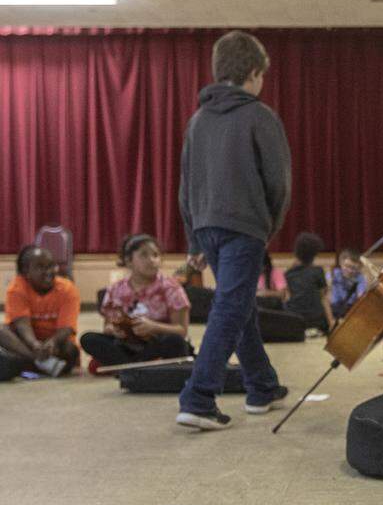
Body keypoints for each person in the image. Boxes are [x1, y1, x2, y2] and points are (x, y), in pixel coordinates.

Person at [176, 30, 291, 430]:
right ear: (255, 72)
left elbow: (185, 184)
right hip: (244, 226)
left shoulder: (197, 120)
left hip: (206, 223)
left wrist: (193, 237)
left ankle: (261, 386)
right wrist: (268, 226)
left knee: (238, 305)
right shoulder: (259, 115)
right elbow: (279, 182)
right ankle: (198, 396)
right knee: (229, 307)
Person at [81, 233, 193, 368]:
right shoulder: (115, 289)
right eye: (144, 255)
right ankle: (137, 367)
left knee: (176, 342)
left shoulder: (172, 288)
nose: (152, 260)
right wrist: (114, 330)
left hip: (156, 344)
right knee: (88, 339)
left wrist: (153, 327)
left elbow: (181, 330)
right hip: (126, 345)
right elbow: (108, 327)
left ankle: (128, 367)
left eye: (155, 255)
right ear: (128, 261)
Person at [1, 246, 80, 379]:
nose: (49, 271)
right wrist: (35, 345)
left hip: (55, 346)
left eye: (51, 266)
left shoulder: (68, 289)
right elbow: (22, 324)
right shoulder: (16, 288)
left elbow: (66, 328)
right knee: (2, 331)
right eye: (40, 267)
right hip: (27, 344)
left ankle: (25, 364)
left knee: (71, 350)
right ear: (26, 271)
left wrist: (52, 342)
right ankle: (39, 363)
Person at [283, 232, 335, 333]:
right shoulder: (318, 271)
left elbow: (288, 297)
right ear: (314, 254)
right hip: (316, 319)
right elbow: (324, 299)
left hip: (296, 319)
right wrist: (331, 322)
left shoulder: (288, 274)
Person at [328, 247, 368, 319]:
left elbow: (361, 294)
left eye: (353, 268)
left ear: (359, 267)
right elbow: (325, 286)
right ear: (340, 263)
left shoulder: (359, 278)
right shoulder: (334, 273)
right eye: (347, 266)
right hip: (334, 306)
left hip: (350, 307)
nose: (349, 270)